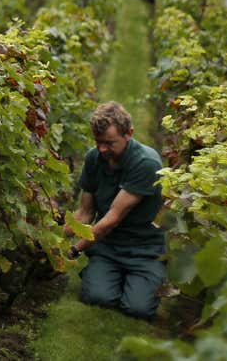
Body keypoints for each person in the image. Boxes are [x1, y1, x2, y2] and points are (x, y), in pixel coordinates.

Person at [71, 101, 166, 320]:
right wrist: (53, 237)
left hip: (145, 251)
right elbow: (85, 212)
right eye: (98, 142)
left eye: (109, 143)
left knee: (138, 309)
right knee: (97, 297)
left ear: (129, 134)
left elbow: (112, 218)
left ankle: (142, 279)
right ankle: (105, 274)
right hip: (109, 247)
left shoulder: (146, 163)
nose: (102, 149)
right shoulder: (94, 158)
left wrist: (75, 250)